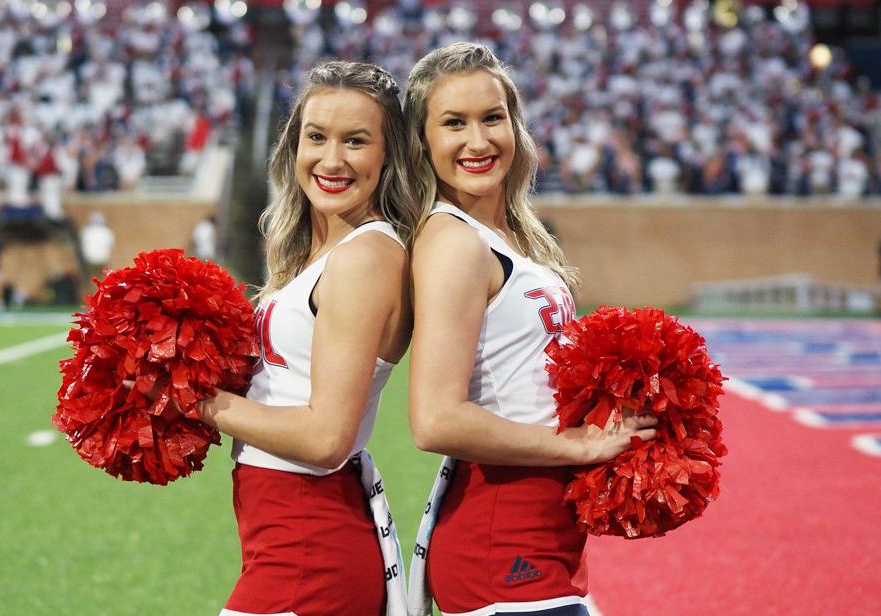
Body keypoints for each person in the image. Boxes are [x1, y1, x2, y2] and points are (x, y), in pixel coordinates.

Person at [402, 43, 658, 616]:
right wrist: (577, 444)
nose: (478, 141)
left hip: (545, 540)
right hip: (501, 545)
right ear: (422, 142)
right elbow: (435, 419)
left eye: (492, 118)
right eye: (454, 124)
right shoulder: (453, 243)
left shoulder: (511, 234)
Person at [192, 61, 420, 616]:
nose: (332, 159)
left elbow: (325, 438)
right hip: (289, 543)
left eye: (356, 141)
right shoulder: (321, 253)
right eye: (316, 137)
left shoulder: (365, 257)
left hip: (309, 549)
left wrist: (196, 401)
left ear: (388, 155)